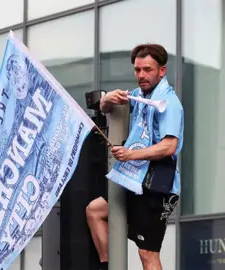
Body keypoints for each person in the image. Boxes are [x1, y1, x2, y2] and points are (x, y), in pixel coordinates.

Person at [86, 43, 184, 270]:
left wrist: (131, 155)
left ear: (162, 71)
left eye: (147, 70)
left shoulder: (169, 103)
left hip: (157, 185)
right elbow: (106, 107)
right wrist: (107, 98)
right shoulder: (139, 96)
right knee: (95, 211)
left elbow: (169, 146)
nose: (141, 75)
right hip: (132, 178)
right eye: (137, 70)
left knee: (147, 253)